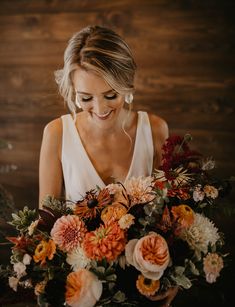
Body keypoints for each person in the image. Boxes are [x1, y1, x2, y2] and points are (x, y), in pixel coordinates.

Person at [39, 25, 177, 306]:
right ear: (72, 91)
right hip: (79, 290)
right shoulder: (56, 134)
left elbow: (171, 222)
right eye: (85, 98)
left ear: (127, 84)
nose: (100, 108)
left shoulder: (156, 130)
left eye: (110, 95)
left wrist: (170, 281)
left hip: (143, 293)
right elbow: (45, 226)